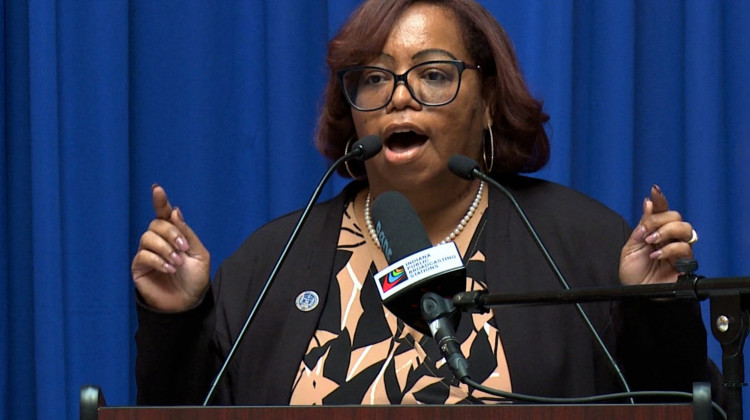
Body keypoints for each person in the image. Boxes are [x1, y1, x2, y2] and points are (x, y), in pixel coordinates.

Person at [133, 0, 714, 406]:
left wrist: (655, 306)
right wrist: (177, 320)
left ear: (487, 101)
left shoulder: (578, 243)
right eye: (374, 78)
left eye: (433, 75)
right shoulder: (270, 264)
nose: (401, 98)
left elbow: (680, 403)